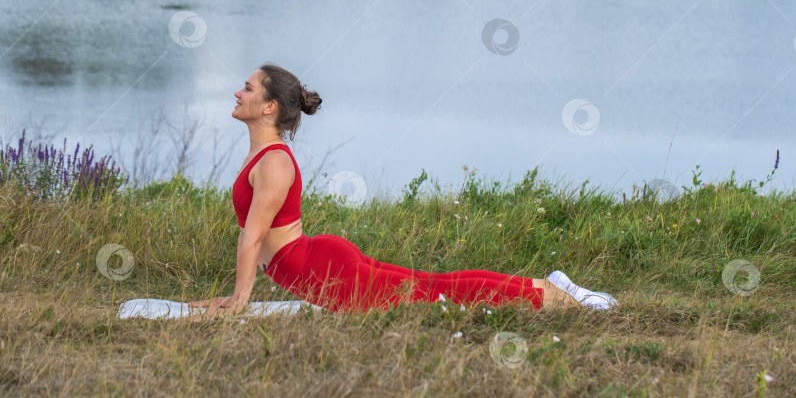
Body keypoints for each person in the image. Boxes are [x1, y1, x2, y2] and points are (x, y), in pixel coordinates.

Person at [188, 64, 618, 319]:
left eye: (247, 88)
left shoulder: (275, 162)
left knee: (435, 293)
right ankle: (549, 286)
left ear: (269, 107)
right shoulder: (262, 155)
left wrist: (240, 300)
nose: (237, 91)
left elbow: (253, 235)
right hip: (315, 263)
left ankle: (555, 297)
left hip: (320, 272)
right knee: (433, 285)